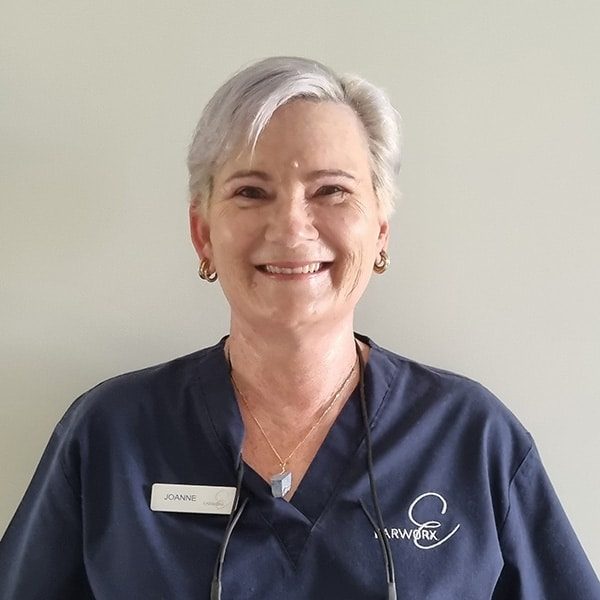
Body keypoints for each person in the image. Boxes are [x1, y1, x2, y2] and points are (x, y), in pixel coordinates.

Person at [0, 56, 598, 600]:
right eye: (251, 192)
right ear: (202, 233)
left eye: (332, 190)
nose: (291, 227)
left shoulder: (472, 439)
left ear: (381, 231)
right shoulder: (109, 435)